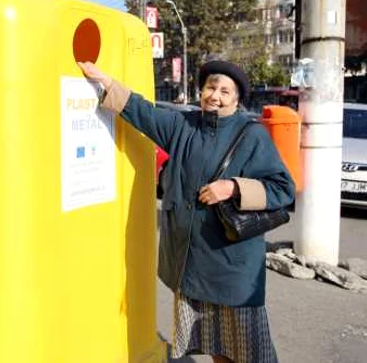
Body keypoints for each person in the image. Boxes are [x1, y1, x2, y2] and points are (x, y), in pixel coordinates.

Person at [78, 60, 295, 363]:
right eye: (210, 87)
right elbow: (143, 112)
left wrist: (232, 187)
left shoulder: (252, 135)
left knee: (249, 351)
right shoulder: (184, 126)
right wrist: (105, 81)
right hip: (191, 264)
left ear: (236, 99)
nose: (215, 96)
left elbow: (283, 189)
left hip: (232, 267)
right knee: (218, 347)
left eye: (224, 91)